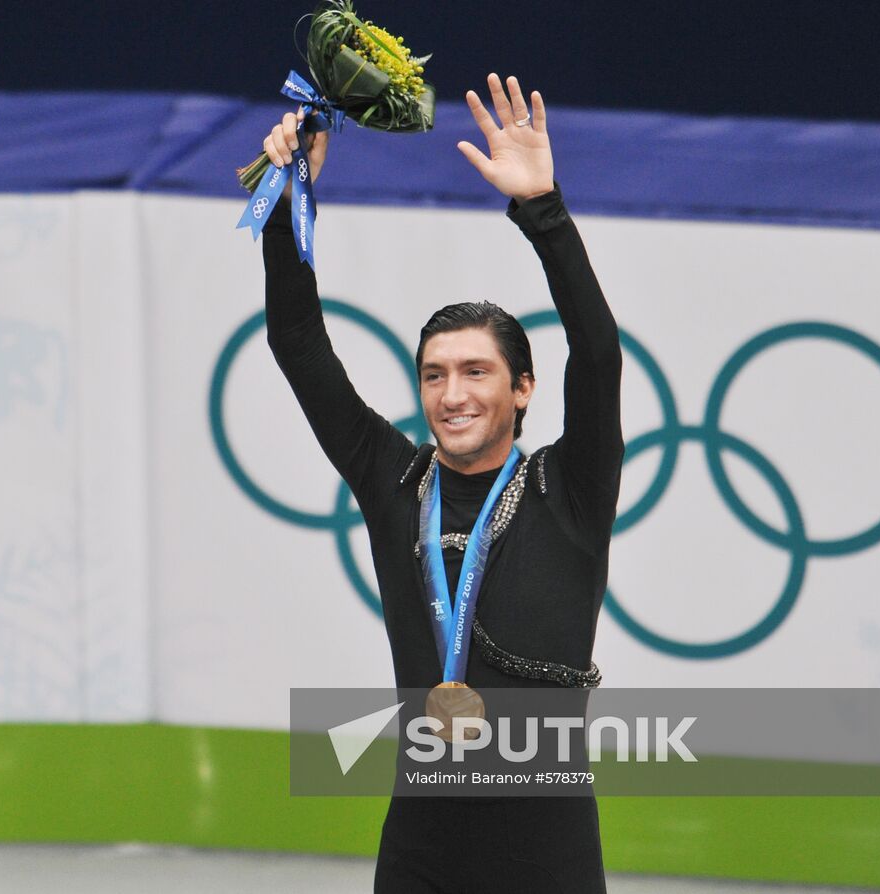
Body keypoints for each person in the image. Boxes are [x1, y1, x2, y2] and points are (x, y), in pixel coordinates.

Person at [261, 73, 622, 892]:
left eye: (475, 372)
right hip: (422, 839)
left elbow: (598, 356)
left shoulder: (571, 488)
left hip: (548, 843)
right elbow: (297, 342)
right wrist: (291, 206)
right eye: (434, 375)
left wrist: (544, 211)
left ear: (522, 389)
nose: (451, 395)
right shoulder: (394, 479)